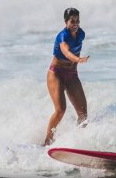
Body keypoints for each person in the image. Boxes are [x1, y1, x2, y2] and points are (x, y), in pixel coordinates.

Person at [44, 8, 89, 146]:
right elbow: (66, 51)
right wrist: (78, 59)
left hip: (72, 75)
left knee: (83, 115)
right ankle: (47, 142)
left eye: (77, 21)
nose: (75, 23)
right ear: (66, 22)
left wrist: (77, 61)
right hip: (56, 73)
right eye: (72, 21)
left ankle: (78, 142)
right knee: (61, 110)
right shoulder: (62, 36)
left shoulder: (81, 34)